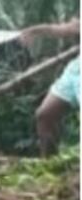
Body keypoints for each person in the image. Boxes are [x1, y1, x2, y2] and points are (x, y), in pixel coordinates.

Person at [19, 16, 80, 156]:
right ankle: (49, 163)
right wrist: (35, 30)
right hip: (75, 71)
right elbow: (65, 29)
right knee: (45, 115)